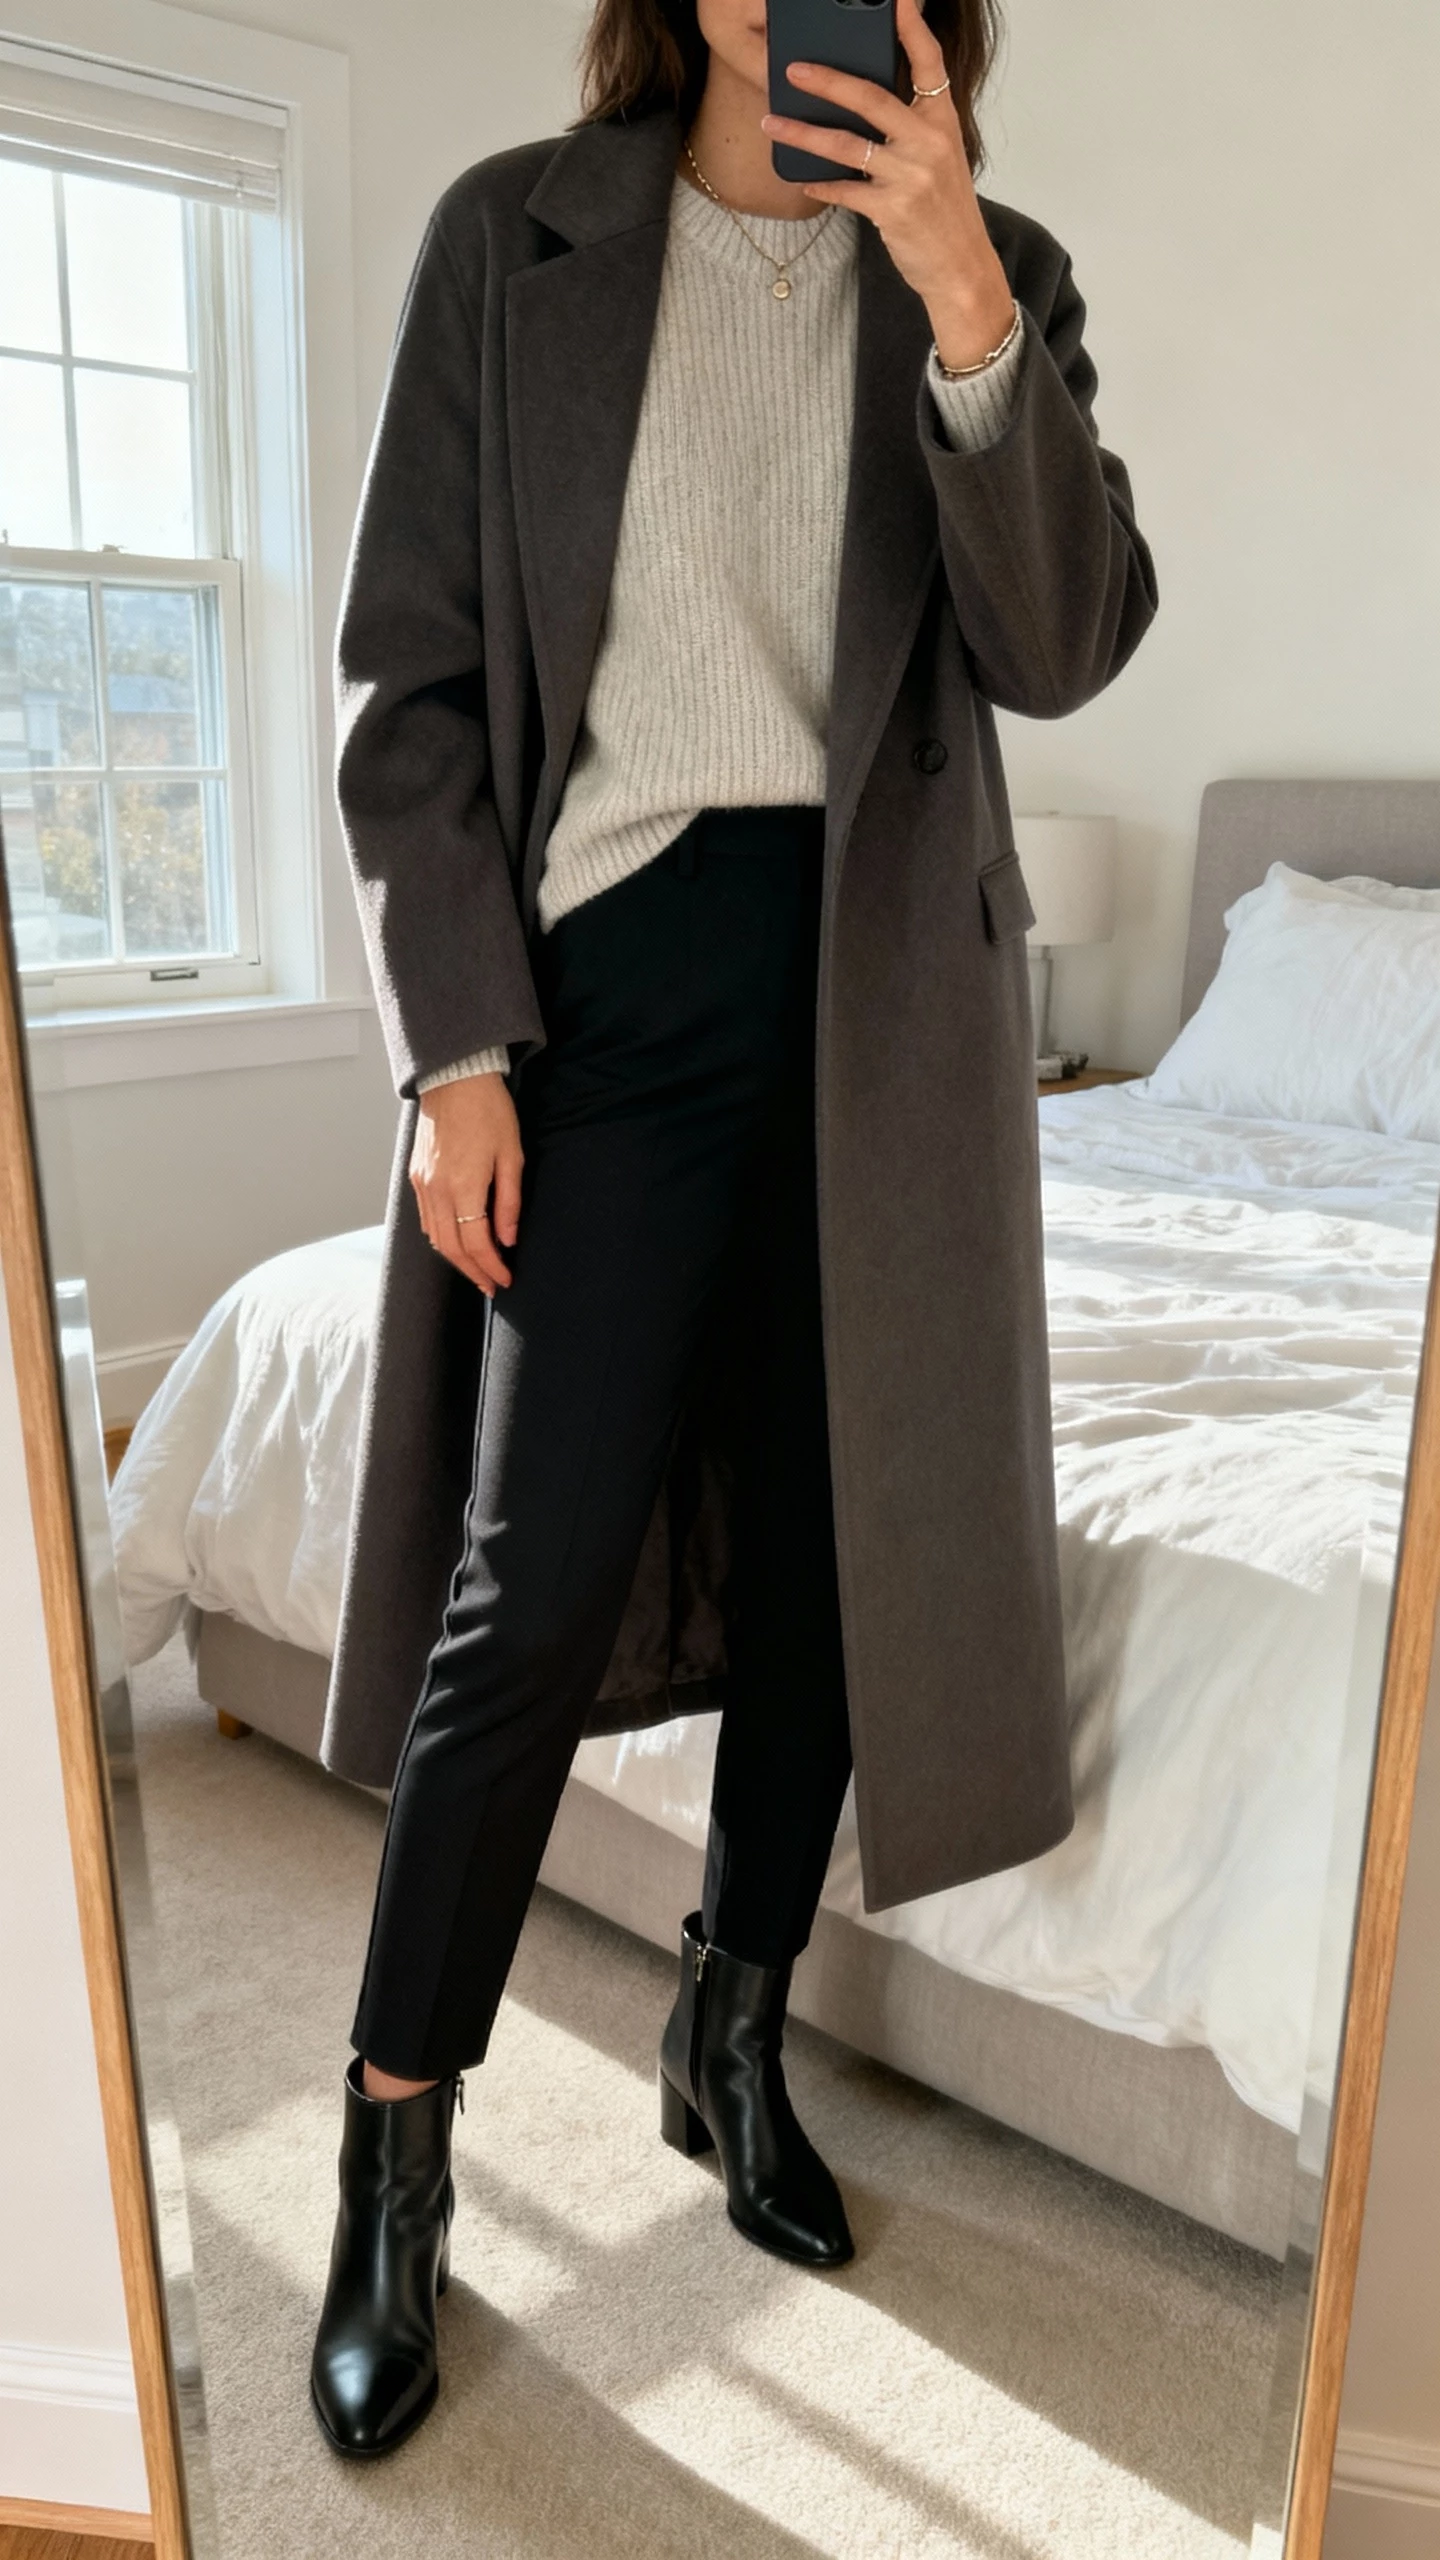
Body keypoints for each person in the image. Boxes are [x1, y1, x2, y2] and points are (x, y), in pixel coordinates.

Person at [310, 0, 1157, 2459]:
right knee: (525, 1576)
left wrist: (963, 292)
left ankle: (731, 2018)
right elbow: (417, 692)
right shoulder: (514, 239)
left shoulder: (992, 270)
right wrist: (455, 1046)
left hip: (882, 1015)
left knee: (832, 1556)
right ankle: (392, 2148)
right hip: (610, 994)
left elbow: (1064, 639)